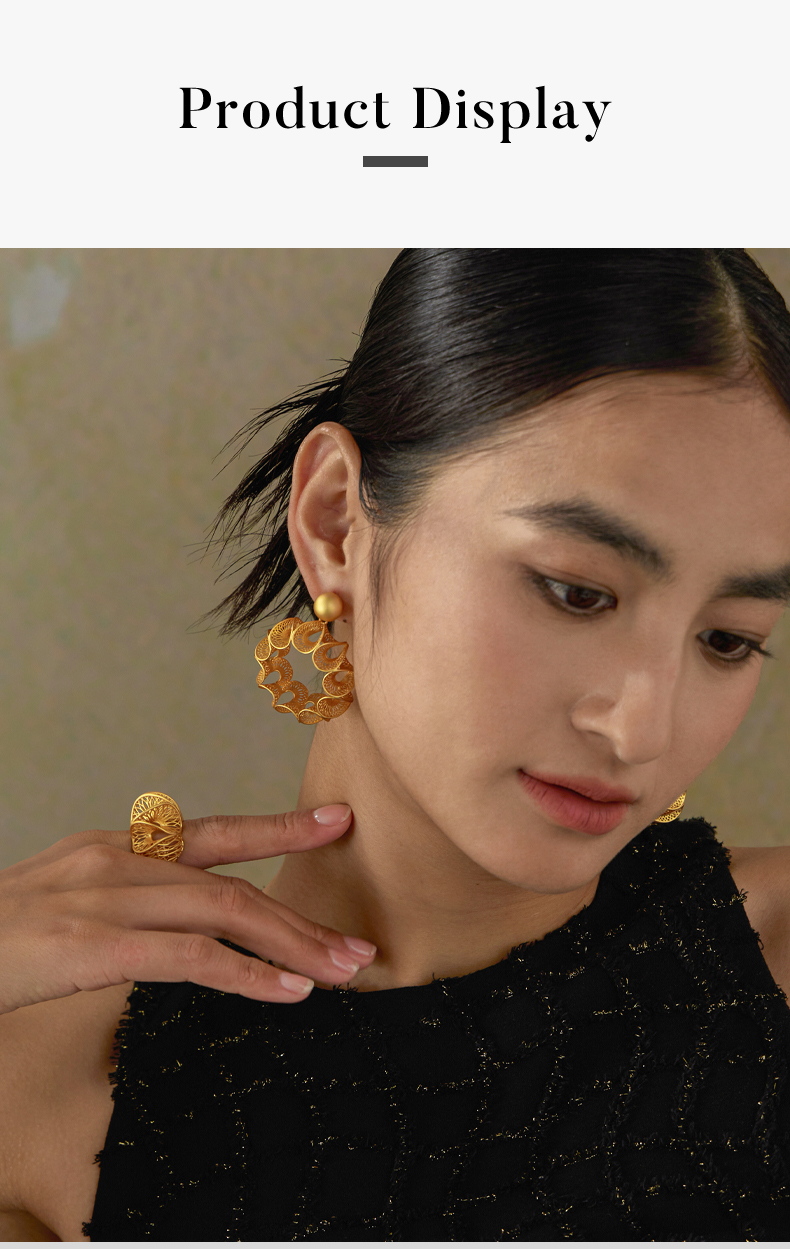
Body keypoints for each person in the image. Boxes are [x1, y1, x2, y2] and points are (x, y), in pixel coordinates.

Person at [1, 249, 790, 1241]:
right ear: (334, 520)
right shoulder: (50, 1086)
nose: (643, 727)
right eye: (576, 591)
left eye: (727, 639)